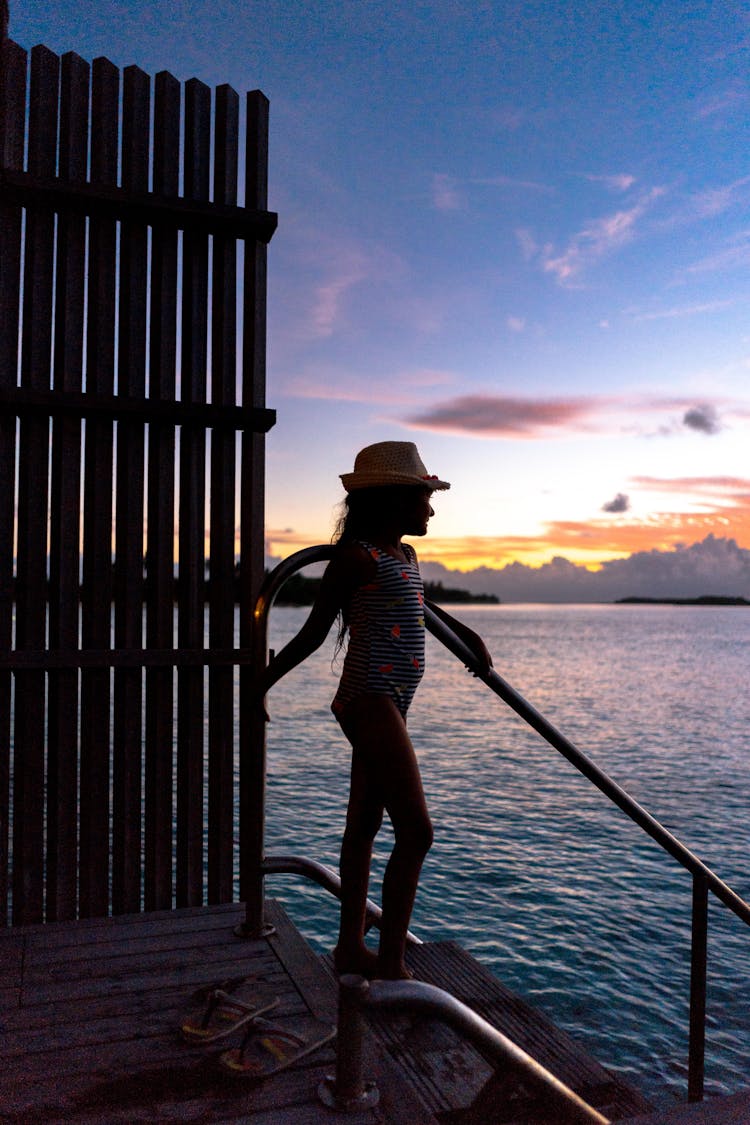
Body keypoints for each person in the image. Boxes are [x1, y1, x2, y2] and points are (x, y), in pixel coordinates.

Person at [259, 441, 492, 980]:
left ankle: (348, 949)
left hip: (395, 700)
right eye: (423, 498)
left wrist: (466, 630)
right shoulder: (355, 559)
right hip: (369, 698)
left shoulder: (403, 557)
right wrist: (261, 684)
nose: (431, 509)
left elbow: (418, 605)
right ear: (392, 500)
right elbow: (314, 633)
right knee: (417, 832)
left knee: (363, 824)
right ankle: (392, 961)